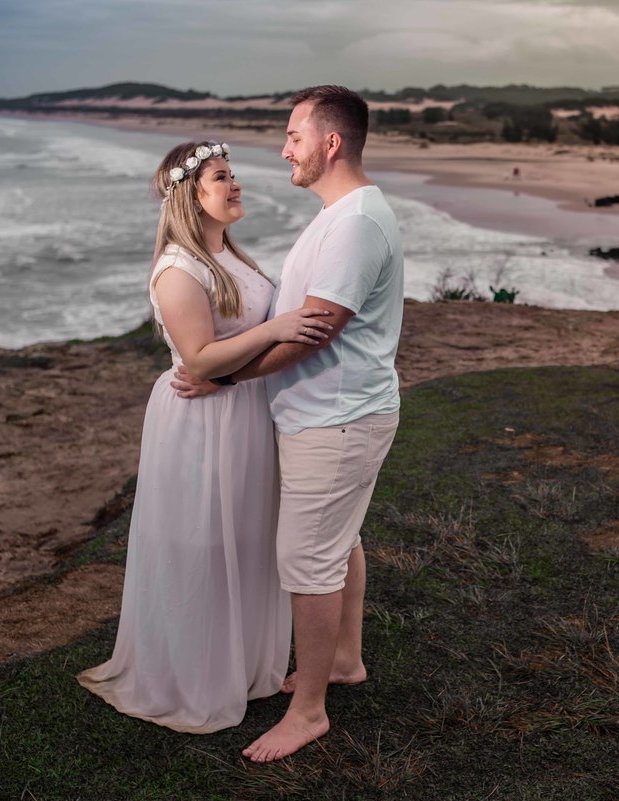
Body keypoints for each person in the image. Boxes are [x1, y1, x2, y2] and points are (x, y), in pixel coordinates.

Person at [172, 86, 404, 761]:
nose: (283, 150)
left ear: (331, 143)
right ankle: (344, 661)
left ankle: (308, 713)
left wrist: (223, 377)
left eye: (294, 136)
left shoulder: (355, 224)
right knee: (337, 542)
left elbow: (316, 332)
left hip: (336, 418)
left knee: (308, 561)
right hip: (335, 411)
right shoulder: (340, 213)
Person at [77, 140, 335, 733]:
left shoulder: (231, 257)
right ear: (192, 196)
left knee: (246, 540)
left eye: (232, 174)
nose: (235, 183)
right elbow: (197, 359)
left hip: (246, 411)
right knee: (202, 543)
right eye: (221, 177)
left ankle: (240, 666)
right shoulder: (178, 270)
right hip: (201, 422)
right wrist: (276, 328)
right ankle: (193, 677)